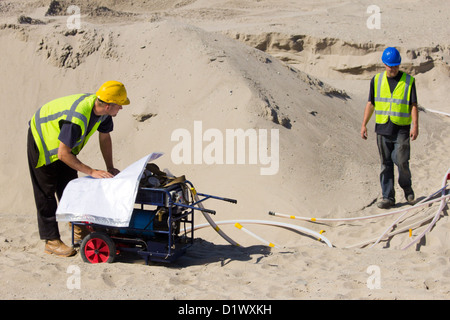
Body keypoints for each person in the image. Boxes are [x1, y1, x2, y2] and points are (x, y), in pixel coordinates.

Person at [27, 81, 130, 257]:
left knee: (70, 187)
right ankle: (51, 241)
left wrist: (110, 167)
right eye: (119, 105)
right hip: (43, 139)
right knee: (46, 191)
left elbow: (105, 138)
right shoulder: (77, 118)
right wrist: (91, 171)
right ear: (107, 105)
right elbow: (62, 154)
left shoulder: (103, 113)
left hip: (63, 146)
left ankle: (77, 228)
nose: (121, 108)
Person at [360, 47, 419, 209]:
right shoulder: (376, 80)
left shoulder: (409, 81)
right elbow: (371, 103)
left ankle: (407, 188)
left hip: (401, 129)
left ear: (399, 65)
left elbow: (413, 105)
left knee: (401, 161)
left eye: (395, 66)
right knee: (385, 164)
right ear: (384, 64)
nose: (392, 69)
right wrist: (364, 124)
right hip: (382, 129)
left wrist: (415, 126)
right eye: (390, 66)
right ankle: (388, 197)